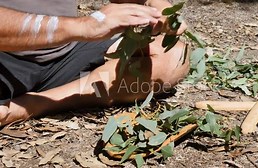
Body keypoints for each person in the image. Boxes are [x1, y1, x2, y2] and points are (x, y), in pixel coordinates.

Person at [0, 0, 189, 126]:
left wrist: (154, 6)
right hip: (7, 61)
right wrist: (84, 26)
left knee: (171, 56)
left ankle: (36, 104)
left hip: (66, 50)